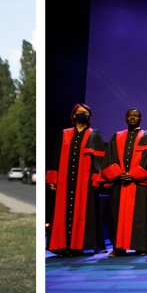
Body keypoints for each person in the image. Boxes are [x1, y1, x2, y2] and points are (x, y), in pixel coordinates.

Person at [99, 108, 147, 257]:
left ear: (141, 119)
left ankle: (141, 247)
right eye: (129, 115)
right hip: (120, 183)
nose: (132, 117)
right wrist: (119, 174)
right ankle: (118, 247)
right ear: (125, 118)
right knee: (117, 215)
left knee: (140, 217)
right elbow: (109, 159)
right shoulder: (116, 137)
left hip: (139, 184)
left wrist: (133, 175)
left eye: (136, 115)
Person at [46, 103, 106, 256]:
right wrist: (53, 180)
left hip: (84, 182)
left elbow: (99, 160)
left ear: (89, 116)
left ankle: (78, 246)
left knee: (84, 212)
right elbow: (55, 158)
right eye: (79, 112)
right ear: (73, 115)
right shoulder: (64, 134)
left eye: (85, 112)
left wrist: (96, 180)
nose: (81, 114)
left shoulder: (94, 134)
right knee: (62, 212)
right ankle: (62, 246)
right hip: (65, 181)